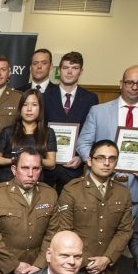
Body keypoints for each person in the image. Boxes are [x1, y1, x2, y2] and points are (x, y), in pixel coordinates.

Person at [76, 65, 138, 214]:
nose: (135, 87)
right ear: (121, 83)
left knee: (125, 232)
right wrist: (97, 164)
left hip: (133, 185)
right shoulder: (99, 111)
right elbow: (83, 143)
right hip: (98, 183)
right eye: (130, 82)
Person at [54, 140, 134, 274]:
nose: (106, 163)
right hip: (76, 270)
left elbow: (125, 231)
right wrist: (87, 262)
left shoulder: (123, 193)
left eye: (112, 158)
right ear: (90, 161)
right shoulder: (72, 190)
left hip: (108, 272)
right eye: (101, 158)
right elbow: (64, 230)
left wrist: (107, 259)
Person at [0, 147, 58, 274]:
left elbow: (52, 234)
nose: (30, 174)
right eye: (25, 168)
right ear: (14, 170)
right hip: (1, 272)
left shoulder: (50, 194)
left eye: (36, 168)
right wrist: (14, 265)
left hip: (37, 271)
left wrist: (39, 265)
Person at [44, 51, 98, 193]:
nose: (69, 72)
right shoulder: (44, 96)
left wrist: (82, 157)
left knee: (69, 210)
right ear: (59, 70)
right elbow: (39, 128)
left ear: (81, 71)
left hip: (73, 167)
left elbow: (92, 132)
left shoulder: (91, 99)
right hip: (47, 167)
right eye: (65, 67)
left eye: (74, 68)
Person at [0, 89, 56, 185]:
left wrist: (32, 161)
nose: (29, 109)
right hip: (8, 181)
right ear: (20, 108)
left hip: (35, 182)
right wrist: (15, 160)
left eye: (34, 105)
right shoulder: (8, 131)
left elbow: (51, 163)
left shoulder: (48, 132)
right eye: (25, 105)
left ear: (40, 108)